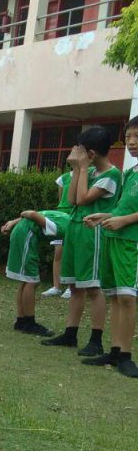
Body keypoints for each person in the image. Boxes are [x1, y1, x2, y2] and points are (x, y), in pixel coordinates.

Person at [41, 127, 122, 356]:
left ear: (92, 153)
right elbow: (71, 199)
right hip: (76, 228)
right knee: (75, 285)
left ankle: (96, 339)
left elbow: (83, 198)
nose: (77, 154)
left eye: (81, 151)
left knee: (93, 286)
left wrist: (83, 168)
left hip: (93, 233)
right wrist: (78, 169)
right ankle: (70, 334)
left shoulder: (111, 175)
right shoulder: (91, 171)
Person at [82, 116, 138, 378]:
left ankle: (126, 355)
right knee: (115, 295)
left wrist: (124, 221)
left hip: (132, 243)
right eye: (128, 137)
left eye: (137, 137)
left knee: (127, 296)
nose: (132, 143)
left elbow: (128, 214)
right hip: (114, 239)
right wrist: (105, 217)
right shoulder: (130, 173)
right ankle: (115, 351)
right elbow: (120, 208)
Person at [1, 208, 70, 336]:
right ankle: (29, 323)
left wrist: (13, 222)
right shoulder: (62, 229)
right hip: (26, 235)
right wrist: (25, 214)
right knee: (31, 281)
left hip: (22, 232)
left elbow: (39, 214)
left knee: (26, 280)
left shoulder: (66, 217)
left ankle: (21, 321)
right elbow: (32, 214)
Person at [41, 161, 73, 300]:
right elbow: (61, 199)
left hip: (75, 218)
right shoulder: (63, 178)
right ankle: (56, 286)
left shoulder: (87, 176)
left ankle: (71, 287)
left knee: (71, 254)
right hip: (62, 217)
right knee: (58, 253)